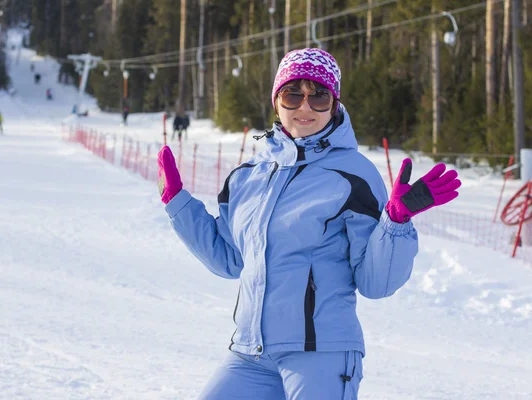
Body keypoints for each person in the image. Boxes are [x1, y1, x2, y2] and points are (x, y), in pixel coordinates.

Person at [156, 48, 461, 399]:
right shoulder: (247, 177)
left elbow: (375, 282)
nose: (305, 107)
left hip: (321, 352)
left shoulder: (354, 175)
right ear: (277, 101)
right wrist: (177, 203)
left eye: (319, 96)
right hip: (250, 352)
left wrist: (395, 222)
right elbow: (227, 259)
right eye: (293, 94)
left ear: (334, 104)